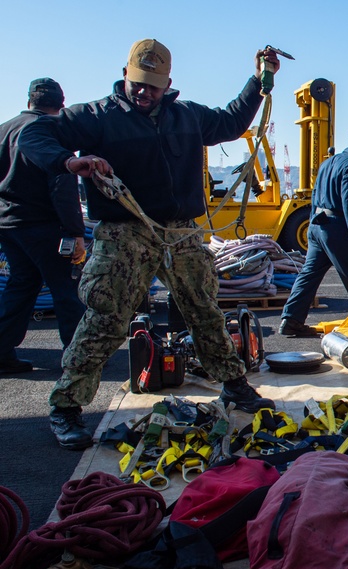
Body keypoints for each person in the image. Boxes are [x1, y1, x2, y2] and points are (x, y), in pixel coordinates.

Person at [19, 39, 278, 449]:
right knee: (106, 318)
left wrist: (259, 82)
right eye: (138, 83)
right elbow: (34, 133)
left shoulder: (186, 116)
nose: (144, 92)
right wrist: (69, 163)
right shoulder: (95, 117)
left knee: (205, 310)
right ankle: (66, 407)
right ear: (125, 74)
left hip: (180, 231)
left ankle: (233, 384)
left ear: (167, 83)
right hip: (126, 231)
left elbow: (230, 122)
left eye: (153, 86)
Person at [0, 78, 86, 374]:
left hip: (9, 225)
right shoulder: (52, 133)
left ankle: (1, 351)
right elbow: (63, 187)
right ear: (61, 106)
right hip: (43, 225)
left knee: (21, 286)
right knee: (66, 289)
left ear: (29, 102)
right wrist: (75, 232)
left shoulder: (4, 129)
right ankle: (79, 358)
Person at [279, 127, 348, 337]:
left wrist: (313, 220)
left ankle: (291, 319)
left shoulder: (328, 162)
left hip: (317, 225)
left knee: (309, 275)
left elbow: (315, 193)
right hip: (336, 227)